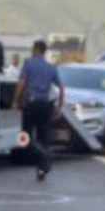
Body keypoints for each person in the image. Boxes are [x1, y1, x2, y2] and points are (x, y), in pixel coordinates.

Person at [13, 39, 64, 181]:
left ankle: (43, 155)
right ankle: (42, 169)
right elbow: (61, 88)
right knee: (44, 138)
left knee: (24, 138)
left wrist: (15, 101)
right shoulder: (51, 67)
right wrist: (59, 107)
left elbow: (21, 84)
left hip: (31, 105)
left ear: (36, 50)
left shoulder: (28, 64)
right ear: (44, 51)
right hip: (46, 106)